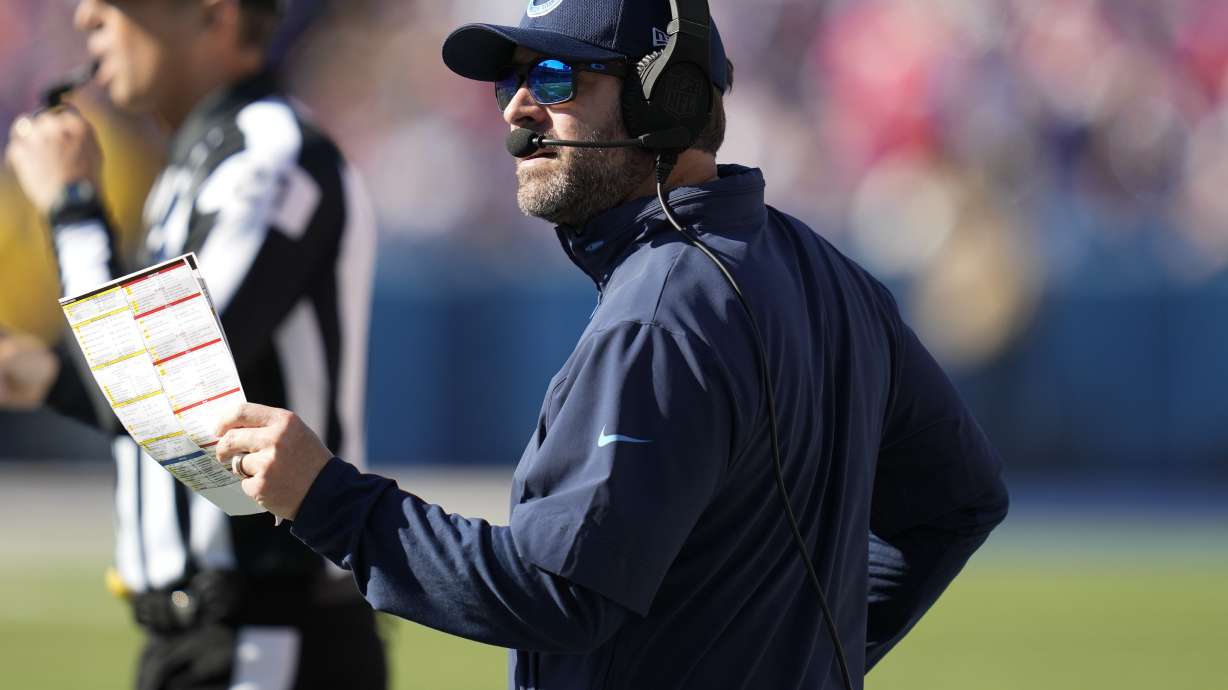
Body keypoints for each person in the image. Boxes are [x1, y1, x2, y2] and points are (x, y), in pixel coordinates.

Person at [213, 1, 1009, 689]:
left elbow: (559, 593)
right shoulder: (830, 274)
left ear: (670, 99)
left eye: (557, 77)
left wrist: (332, 503)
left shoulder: (661, 311)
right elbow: (959, 501)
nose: (517, 108)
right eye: (508, 81)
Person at [1, 1, 385, 689]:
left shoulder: (270, 153)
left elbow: (168, 379)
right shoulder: (196, 160)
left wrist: (73, 207)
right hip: (211, 637)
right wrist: (36, 374)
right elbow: (165, 411)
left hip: (268, 631)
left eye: (116, 3)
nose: (87, 16)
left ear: (217, 15)